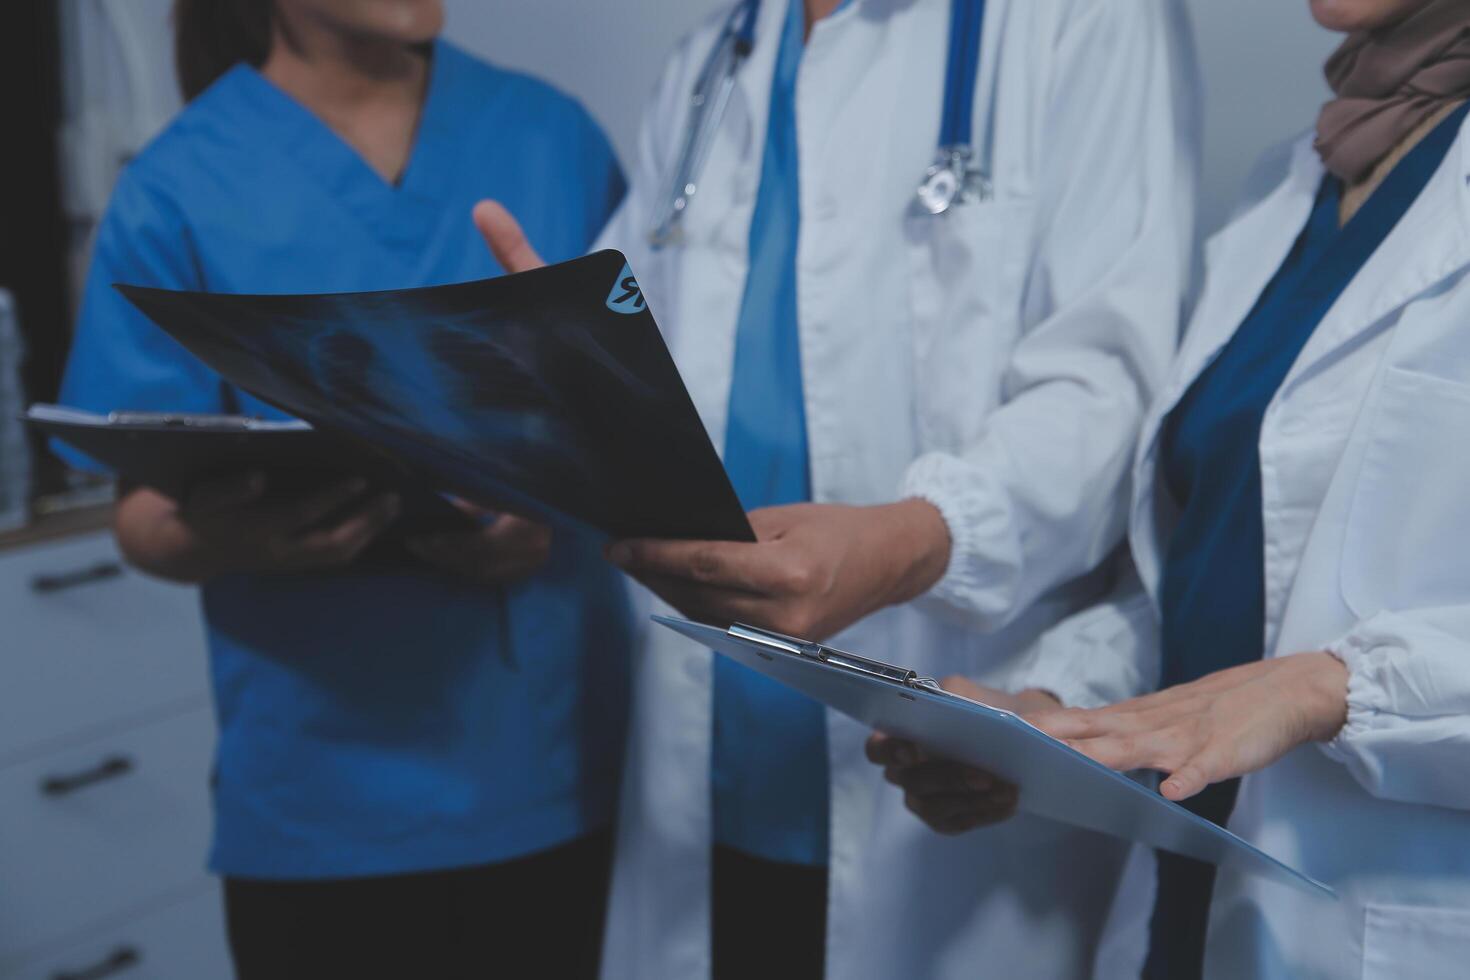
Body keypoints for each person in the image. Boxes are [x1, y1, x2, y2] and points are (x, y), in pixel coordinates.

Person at [477, 0, 1200, 975]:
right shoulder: (712, 61)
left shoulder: (1084, 20)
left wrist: (919, 536)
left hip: (940, 767)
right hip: (710, 765)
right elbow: (641, 358)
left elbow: (1109, 379)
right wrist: (550, 401)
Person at [878, 1, 1470, 977]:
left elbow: (1306, 662)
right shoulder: (1289, 188)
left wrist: (1340, 686)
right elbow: (1214, 565)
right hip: (1190, 912)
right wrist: (1061, 713)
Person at [56, 1, 630, 977]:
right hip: (321, 798)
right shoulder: (180, 184)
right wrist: (246, 538)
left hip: (555, 767)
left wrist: (547, 504)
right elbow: (143, 519)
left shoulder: (552, 134)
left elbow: (640, 412)